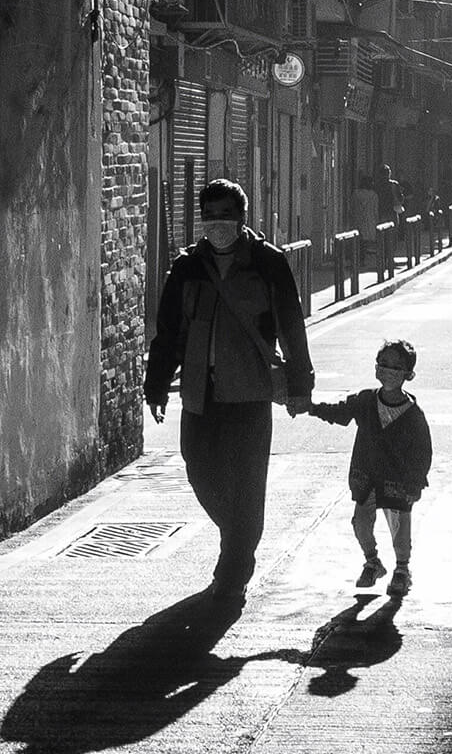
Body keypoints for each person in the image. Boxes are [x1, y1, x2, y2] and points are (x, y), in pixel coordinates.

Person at [144, 176, 314, 612]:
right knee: (200, 471)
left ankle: (234, 570)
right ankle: (236, 539)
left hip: (250, 392)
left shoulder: (268, 264)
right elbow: (168, 333)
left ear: (241, 219)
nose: (217, 224)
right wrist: (157, 383)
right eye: (211, 216)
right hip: (202, 393)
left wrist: (300, 384)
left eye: (226, 216)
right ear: (202, 220)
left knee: (247, 483)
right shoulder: (186, 268)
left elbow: (291, 327)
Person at [304, 338, 433, 602]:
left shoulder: (413, 414)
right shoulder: (365, 401)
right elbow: (339, 412)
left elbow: (422, 453)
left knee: (400, 529)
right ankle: (372, 562)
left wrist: (416, 484)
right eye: (383, 364)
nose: (388, 370)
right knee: (361, 524)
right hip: (366, 478)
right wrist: (311, 408)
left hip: (398, 483)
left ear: (409, 374)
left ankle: (402, 570)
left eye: (396, 367)